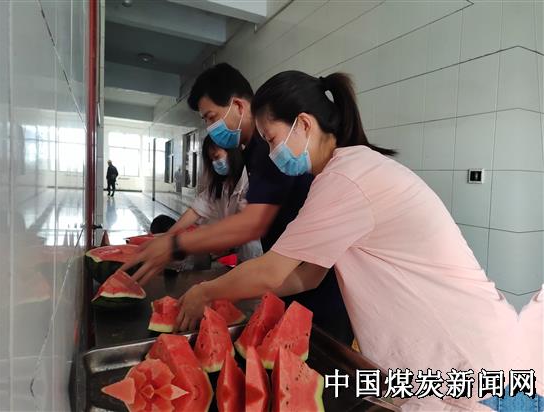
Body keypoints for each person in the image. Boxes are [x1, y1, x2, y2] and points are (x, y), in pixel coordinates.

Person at [170, 71, 519, 410]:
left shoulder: (345, 179)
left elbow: (272, 270)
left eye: (272, 139)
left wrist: (207, 291)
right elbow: (307, 276)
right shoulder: (348, 170)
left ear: (303, 124)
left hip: (473, 365)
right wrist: (236, 293)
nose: (272, 152)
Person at [121, 63, 353, 345]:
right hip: (298, 279)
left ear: (239, 106)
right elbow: (305, 274)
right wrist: (231, 286)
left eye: (211, 117)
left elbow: (253, 224)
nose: (209, 128)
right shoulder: (270, 155)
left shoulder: (340, 176)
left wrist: (178, 249)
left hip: (328, 298)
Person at [167, 136, 262, 262]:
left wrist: (207, 236)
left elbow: (244, 223)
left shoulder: (250, 181)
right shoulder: (221, 185)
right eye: (211, 160)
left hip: (255, 252)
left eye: (216, 157)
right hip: (238, 253)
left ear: (231, 152)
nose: (214, 163)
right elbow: (195, 210)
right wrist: (168, 236)